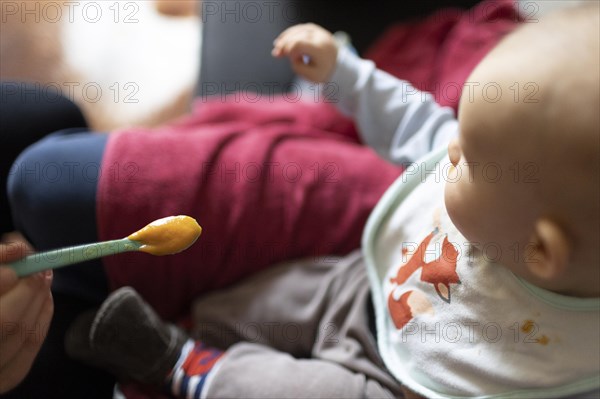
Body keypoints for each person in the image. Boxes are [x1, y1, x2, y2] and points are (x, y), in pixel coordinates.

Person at [60, 4, 600, 399]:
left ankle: (180, 362)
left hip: (386, 385)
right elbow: (416, 122)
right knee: (266, 298)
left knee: (295, 392)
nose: (450, 145)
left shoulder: (571, 369)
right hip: (356, 283)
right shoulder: (494, 174)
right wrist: (346, 74)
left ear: (540, 250)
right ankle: (196, 324)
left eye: (468, 161)